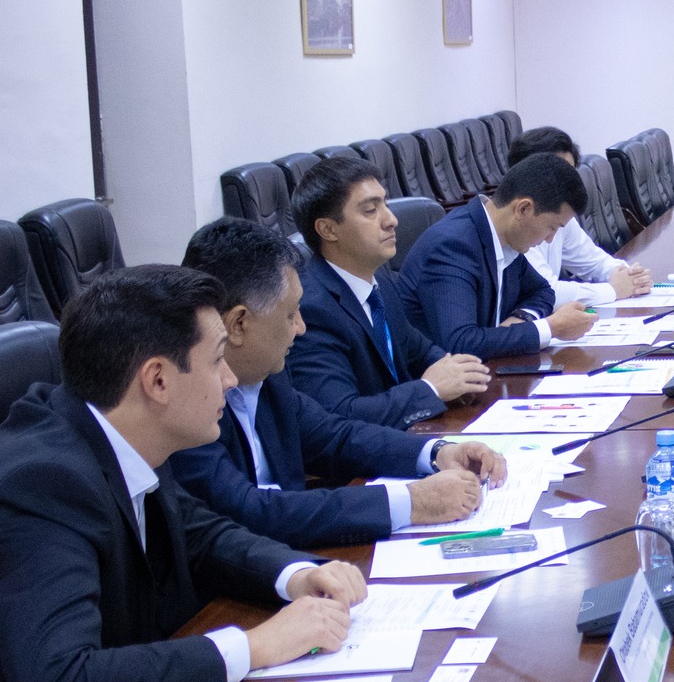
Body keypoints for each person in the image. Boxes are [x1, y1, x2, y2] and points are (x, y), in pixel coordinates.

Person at [0, 266, 366, 682]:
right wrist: (257, 645)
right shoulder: (39, 484)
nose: (230, 379)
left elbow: (197, 531)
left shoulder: (116, 430)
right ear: (158, 380)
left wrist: (295, 574)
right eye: (217, 359)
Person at [175, 219, 506, 549]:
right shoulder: (183, 403)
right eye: (290, 315)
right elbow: (250, 512)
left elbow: (335, 437)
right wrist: (413, 502)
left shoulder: (266, 373)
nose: (300, 328)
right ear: (238, 324)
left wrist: (437, 453)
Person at [285, 155, 490, 428]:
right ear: (328, 229)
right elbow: (339, 416)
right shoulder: (311, 309)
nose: (391, 220)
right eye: (371, 210)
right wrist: (431, 390)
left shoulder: (379, 277)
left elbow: (416, 348)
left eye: (386, 204)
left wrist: (459, 374)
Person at [397, 152, 597, 360]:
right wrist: (550, 328)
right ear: (523, 209)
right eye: (552, 227)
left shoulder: (504, 238)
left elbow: (543, 291)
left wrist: (521, 319)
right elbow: (461, 344)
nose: (549, 239)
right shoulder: (453, 246)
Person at [505, 126, 651, 306]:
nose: (569, 183)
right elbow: (547, 291)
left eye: (571, 172)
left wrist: (629, 276)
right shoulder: (517, 223)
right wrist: (613, 290)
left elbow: (593, 261)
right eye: (560, 174)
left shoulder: (559, 213)